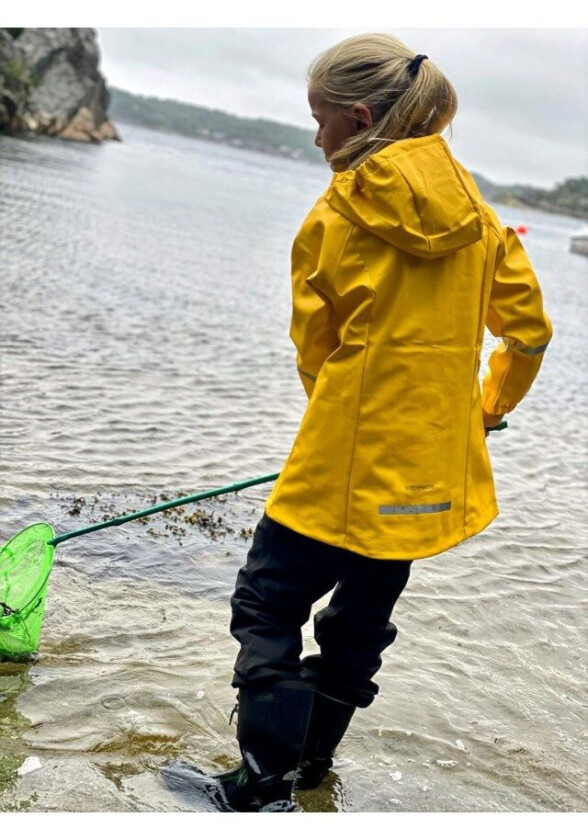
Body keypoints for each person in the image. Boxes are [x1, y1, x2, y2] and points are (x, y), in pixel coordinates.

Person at [186, 33, 553, 812]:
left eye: (320, 120)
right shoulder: (482, 219)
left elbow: (314, 348)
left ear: (358, 119)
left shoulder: (338, 211)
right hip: (425, 475)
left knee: (266, 607)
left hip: (340, 464)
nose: (317, 138)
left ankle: (260, 788)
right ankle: (308, 776)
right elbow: (527, 334)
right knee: (356, 627)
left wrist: (337, 417)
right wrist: (484, 412)